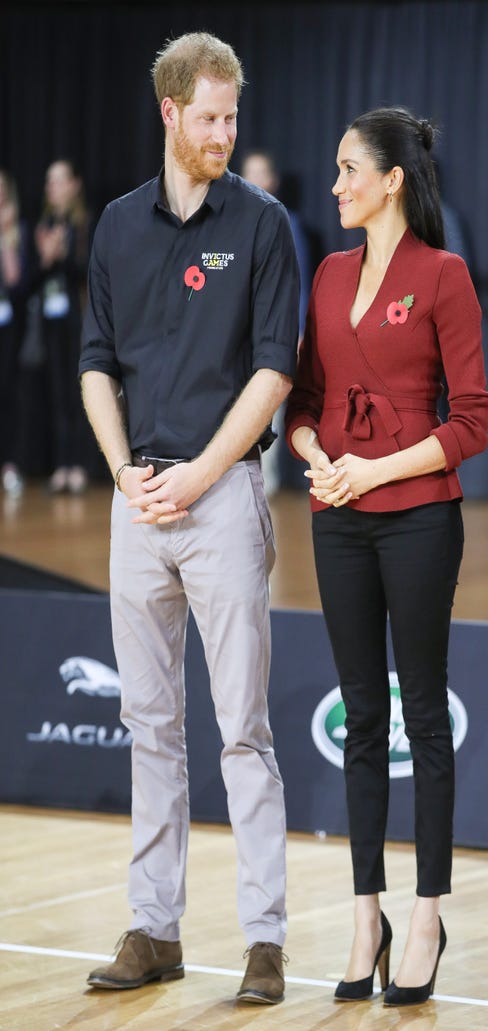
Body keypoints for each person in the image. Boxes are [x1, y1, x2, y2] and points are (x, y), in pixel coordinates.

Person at [79, 32, 299, 1003]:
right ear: (168, 114)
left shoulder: (262, 226)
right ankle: (151, 927)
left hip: (224, 500)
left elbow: (273, 370)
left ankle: (264, 940)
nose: (225, 132)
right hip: (139, 504)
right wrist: (124, 469)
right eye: (209, 117)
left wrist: (204, 473)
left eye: (232, 117)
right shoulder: (117, 228)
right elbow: (95, 363)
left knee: (241, 728)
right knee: (148, 724)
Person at [285, 106, 488, 1006]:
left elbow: (471, 420)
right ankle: (365, 913)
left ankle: (424, 915)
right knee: (362, 719)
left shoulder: (445, 276)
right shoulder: (327, 274)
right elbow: (300, 402)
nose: (334, 185)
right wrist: (320, 461)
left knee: (423, 722)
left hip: (417, 520)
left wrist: (375, 467)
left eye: (347, 169)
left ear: (392, 180)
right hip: (337, 517)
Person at [241, 149, 314, 493]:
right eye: (248, 172)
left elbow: (299, 281)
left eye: (260, 173)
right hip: (241, 332)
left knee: (272, 403)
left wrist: (300, 329)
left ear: (272, 180)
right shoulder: (233, 222)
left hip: (274, 332)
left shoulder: (288, 222)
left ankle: (265, 478)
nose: (254, 180)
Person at [33, 159, 91, 494]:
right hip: (51, 323)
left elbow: (86, 272)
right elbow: (33, 281)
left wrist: (62, 254)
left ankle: (80, 465)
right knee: (56, 394)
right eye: (48, 182)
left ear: (73, 185)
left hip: (78, 321)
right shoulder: (44, 224)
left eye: (58, 181)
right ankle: (62, 465)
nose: (52, 188)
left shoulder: (83, 224)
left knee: (78, 393)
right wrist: (45, 259)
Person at [0, 170, 28, 497]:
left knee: (7, 394)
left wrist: (5, 235)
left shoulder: (16, 230)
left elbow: (15, 277)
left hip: (8, 326)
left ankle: (9, 464)